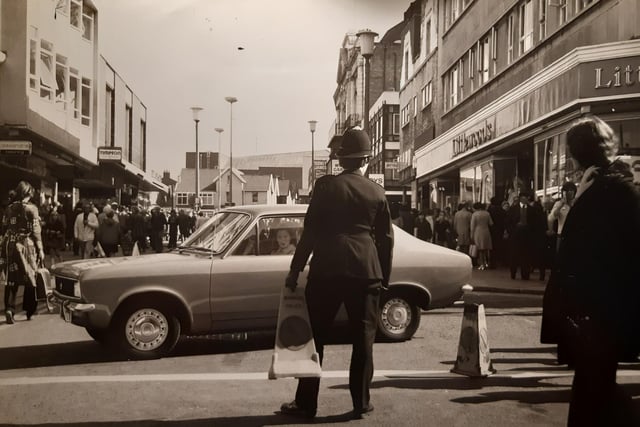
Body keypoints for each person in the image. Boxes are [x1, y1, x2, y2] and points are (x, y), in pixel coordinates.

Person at [280, 127, 393, 420]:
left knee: (315, 337)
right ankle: (361, 402)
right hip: (366, 271)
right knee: (363, 338)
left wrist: (295, 269)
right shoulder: (377, 192)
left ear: (341, 160)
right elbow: (386, 240)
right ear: (366, 159)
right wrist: (384, 279)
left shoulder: (325, 187)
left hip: (327, 269)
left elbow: (310, 233)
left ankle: (306, 403)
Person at [540, 116, 640, 426]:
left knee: (593, 390)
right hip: (594, 311)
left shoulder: (615, 188)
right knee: (594, 388)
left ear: (579, 152)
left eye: (571, 150)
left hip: (600, 311)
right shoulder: (600, 183)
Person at [0, 181, 45, 324]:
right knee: (31, 278)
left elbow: (3, 229)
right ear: (29, 193)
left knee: (11, 279)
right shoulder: (32, 209)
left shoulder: (9, 208)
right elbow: (36, 231)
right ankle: (30, 310)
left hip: (11, 246)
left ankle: (9, 308)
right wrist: (41, 249)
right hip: (27, 247)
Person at [505, 191, 534, 280]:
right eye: (524, 197)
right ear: (521, 198)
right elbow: (507, 222)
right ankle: (513, 272)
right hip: (515, 235)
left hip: (527, 236)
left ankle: (525, 274)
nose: (525, 199)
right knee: (514, 255)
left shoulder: (531, 209)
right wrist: (512, 231)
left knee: (526, 256)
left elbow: (535, 223)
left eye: (527, 197)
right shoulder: (513, 209)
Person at [547, 181, 577, 253]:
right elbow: (550, 218)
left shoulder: (577, 204)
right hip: (562, 236)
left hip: (575, 235)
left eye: (571, 190)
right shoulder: (558, 204)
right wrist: (560, 206)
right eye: (567, 190)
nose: (570, 192)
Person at [470, 202, 493, 270]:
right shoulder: (487, 213)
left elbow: (472, 226)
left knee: (480, 249)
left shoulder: (475, 214)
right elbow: (491, 223)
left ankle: (482, 263)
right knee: (486, 248)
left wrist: (471, 235)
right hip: (486, 231)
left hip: (478, 231)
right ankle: (486, 262)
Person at [487, 197, 506, 269]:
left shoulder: (489, 210)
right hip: (500, 230)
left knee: (492, 247)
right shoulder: (502, 211)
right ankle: (500, 261)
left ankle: (492, 262)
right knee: (499, 245)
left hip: (491, 230)